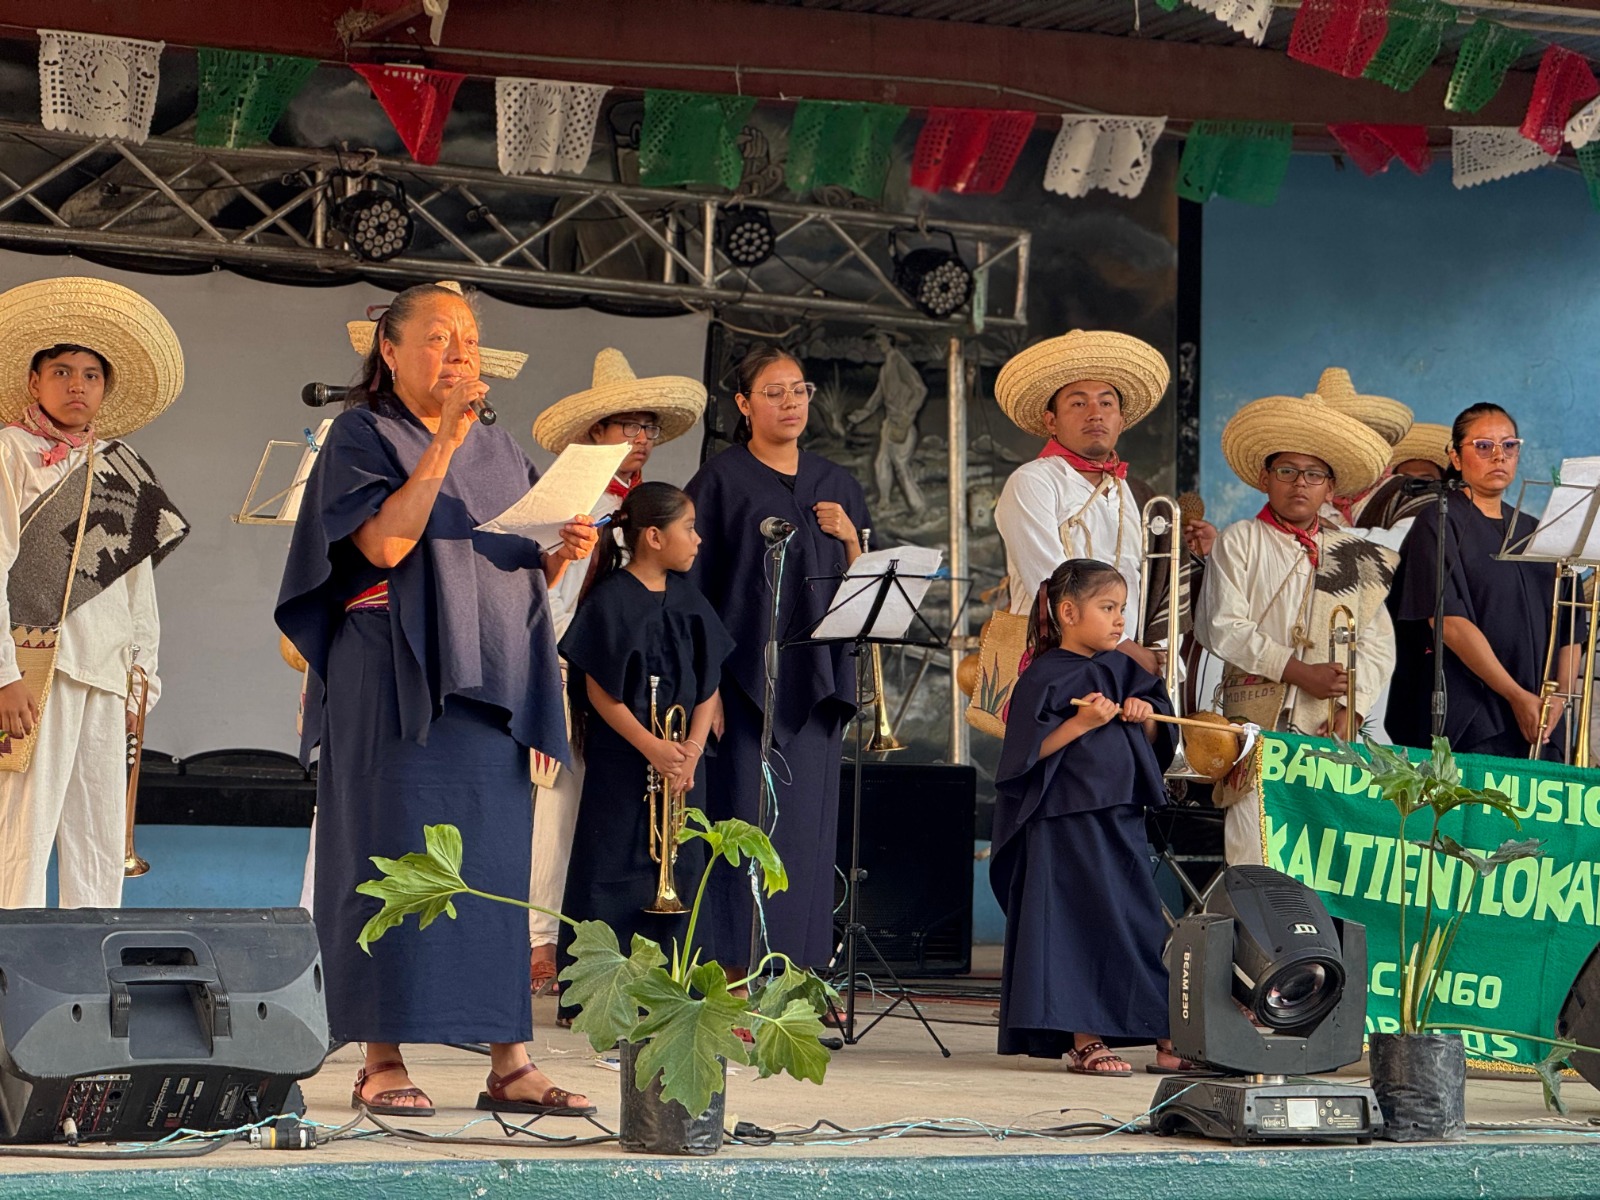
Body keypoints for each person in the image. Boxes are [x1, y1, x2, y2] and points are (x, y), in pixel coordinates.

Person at [276, 282, 598, 1119]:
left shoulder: (501, 448)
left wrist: (561, 551)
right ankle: (380, 1057)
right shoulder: (361, 433)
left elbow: (510, 572)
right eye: (438, 336)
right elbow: (386, 544)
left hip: (489, 677)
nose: (459, 352)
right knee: (386, 858)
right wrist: (445, 440)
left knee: (492, 868)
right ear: (389, 350)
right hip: (390, 673)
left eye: (470, 339)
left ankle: (510, 1060)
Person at [0, 277, 188, 909]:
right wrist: (3, 675)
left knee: (99, 845)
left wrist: (141, 679)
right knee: (21, 837)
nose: (77, 385)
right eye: (62, 371)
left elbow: (138, 588)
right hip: (34, 670)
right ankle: (13, 970)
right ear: (34, 381)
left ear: (104, 388)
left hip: (106, 675)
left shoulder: (121, 464)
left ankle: (91, 965)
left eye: (90, 375)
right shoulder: (8, 451)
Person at [526, 349, 706, 995]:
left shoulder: (645, 505)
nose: (641, 438)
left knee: (609, 808)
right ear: (595, 431)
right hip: (568, 665)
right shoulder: (571, 500)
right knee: (558, 803)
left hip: (627, 673)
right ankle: (542, 941)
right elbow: (547, 597)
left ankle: (607, 938)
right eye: (628, 425)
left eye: (649, 427)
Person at [685, 345, 870, 970]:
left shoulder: (837, 485)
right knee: (743, 824)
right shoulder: (718, 482)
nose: (791, 402)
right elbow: (694, 594)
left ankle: (799, 974)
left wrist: (850, 537)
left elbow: (864, 591)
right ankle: (734, 973)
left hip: (817, 687)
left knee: (807, 834)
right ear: (743, 404)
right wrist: (706, 689)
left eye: (799, 390)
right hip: (741, 690)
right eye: (774, 392)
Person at [991, 559, 1193, 1077]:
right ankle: (1085, 1040)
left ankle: (1165, 1033)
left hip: (1120, 812)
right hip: (1062, 820)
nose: (1119, 619)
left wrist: (1146, 720)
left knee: (1137, 922)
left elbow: (1160, 734)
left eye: (1122, 608)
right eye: (1107, 607)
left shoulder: (1127, 670)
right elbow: (1024, 757)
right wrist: (1081, 722)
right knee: (1076, 925)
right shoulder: (1041, 676)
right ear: (1068, 612)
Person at [555, 482, 733, 1021]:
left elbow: (709, 686)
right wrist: (652, 746)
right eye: (688, 528)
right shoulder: (610, 599)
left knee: (682, 860)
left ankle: (674, 988)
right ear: (653, 537)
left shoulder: (690, 598)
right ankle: (597, 996)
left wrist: (691, 750)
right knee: (613, 863)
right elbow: (599, 691)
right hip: (624, 759)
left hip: (681, 764)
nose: (698, 540)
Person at [1195, 393, 1397, 865]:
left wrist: (1351, 710)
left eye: (1313, 475)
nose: (1299, 483)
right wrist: (1299, 672)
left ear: (1330, 488)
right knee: (1255, 841)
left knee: (1321, 850)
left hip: (1327, 725)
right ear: (1265, 479)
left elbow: (1377, 644)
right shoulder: (1240, 540)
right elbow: (1222, 627)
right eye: (1286, 471)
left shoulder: (1353, 554)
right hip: (1256, 719)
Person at [992, 329, 1215, 673]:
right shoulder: (1033, 482)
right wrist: (1125, 650)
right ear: (1051, 421)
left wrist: (1157, 657)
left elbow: (1162, 586)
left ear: (1121, 421)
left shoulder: (1140, 496)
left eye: (1106, 403)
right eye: (1078, 403)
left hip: (1129, 673)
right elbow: (1052, 583)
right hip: (1054, 667)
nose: (1095, 413)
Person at [1387, 403, 1583, 760]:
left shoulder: (1538, 532)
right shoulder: (1440, 521)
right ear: (1456, 457)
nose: (1498, 456)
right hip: (1475, 718)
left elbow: (1571, 626)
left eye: (1509, 445)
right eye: (1483, 446)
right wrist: (1515, 696)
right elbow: (1449, 622)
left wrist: (1560, 698)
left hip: (1543, 722)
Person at [846, 331, 929, 514]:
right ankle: (884, 501)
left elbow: (920, 390)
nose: (877, 342)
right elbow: (877, 398)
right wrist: (859, 415)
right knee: (881, 462)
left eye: (880, 338)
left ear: (889, 340)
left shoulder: (899, 362)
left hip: (902, 424)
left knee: (901, 466)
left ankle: (919, 507)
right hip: (890, 423)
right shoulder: (885, 368)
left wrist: (906, 415)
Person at [1348, 421, 1453, 551]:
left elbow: (1406, 541)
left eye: (1426, 479)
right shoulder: (1364, 504)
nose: (1415, 483)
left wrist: (1337, 532)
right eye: (1405, 478)